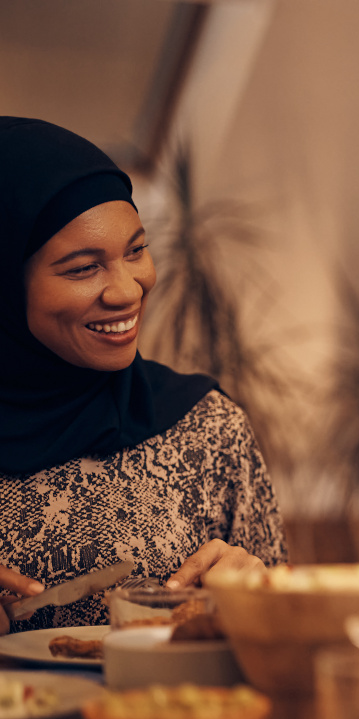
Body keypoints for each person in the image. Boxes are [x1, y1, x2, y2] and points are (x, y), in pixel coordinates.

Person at [0, 117, 286, 636]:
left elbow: (293, 644)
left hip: (180, 715)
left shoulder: (206, 428)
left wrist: (260, 595)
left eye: (135, 250)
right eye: (83, 267)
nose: (128, 290)